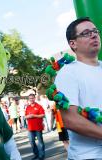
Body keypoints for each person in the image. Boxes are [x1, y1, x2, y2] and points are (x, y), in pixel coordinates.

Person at [55, 17, 102, 159]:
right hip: (89, 156)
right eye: (86, 33)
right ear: (73, 43)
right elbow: (70, 119)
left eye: (95, 31)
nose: (94, 35)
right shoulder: (68, 73)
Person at [25, 94, 45, 160]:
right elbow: (25, 116)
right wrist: (28, 116)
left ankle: (41, 155)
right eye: (30, 98)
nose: (31, 99)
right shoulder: (27, 107)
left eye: (32, 98)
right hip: (30, 128)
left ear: (34, 98)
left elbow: (42, 115)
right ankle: (36, 154)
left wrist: (34, 115)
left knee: (40, 142)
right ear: (29, 99)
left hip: (38, 127)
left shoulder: (39, 106)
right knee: (32, 142)